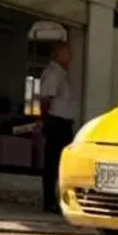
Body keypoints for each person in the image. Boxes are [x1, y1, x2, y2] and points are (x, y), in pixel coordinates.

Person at [40, 43, 77, 214]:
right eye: (67, 54)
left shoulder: (62, 74)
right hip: (56, 123)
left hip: (63, 123)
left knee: (61, 163)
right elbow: (45, 99)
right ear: (59, 55)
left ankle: (58, 199)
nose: (70, 58)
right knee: (52, 163)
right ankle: (49, 202)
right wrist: (46, 121)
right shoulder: (53, 74)